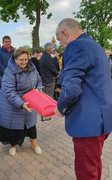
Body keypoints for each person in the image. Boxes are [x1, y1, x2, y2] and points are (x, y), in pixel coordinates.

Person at [54, 18, 112, 180]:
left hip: (88, 122)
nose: (61, 45)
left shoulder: (75, 45)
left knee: (86, 172)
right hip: (101, 119)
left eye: (60, 40)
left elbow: (71, 89)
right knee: (94, 165)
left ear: (65, 33)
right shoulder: (95, 46)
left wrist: (60, 108)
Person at [0, 47, 42, 156]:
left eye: (26, 59)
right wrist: (20, 103)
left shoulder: (33, 68)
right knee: (15, 126)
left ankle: (33, 143)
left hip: (29, 100)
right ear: (15, 59)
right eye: (21, 60)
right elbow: (9, 91)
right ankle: (13, 144)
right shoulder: (9, 71)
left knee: (30, 124)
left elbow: (39, 80)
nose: (24, 62)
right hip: (13, 102)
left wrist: (38, 89)